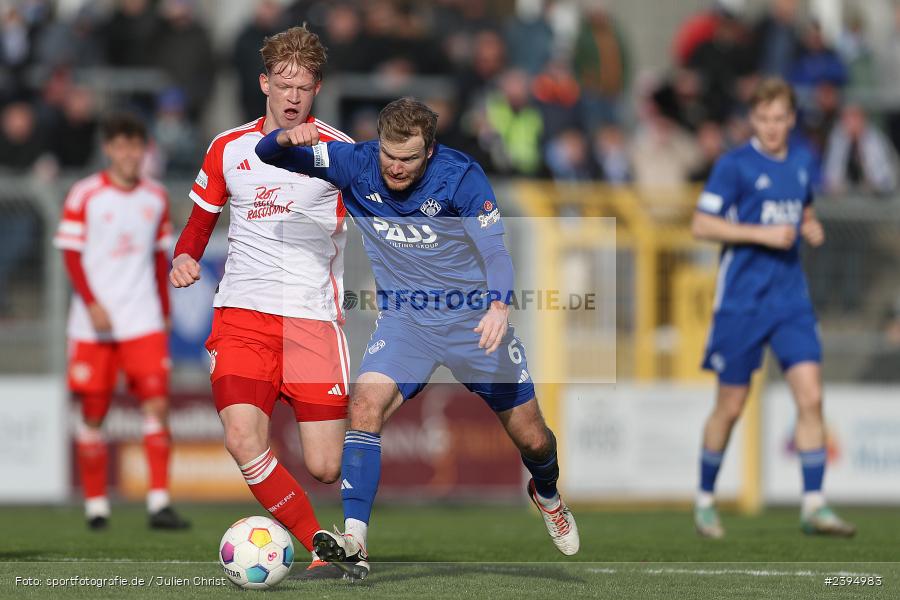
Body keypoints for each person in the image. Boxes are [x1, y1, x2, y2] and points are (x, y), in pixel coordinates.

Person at [255, 97, 580, 579]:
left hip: (474, 326)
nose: (395, 167)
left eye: (408, 159)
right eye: (389, 155)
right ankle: (355, 542)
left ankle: (547, 493)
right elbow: (268, 155)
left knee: (533, 439)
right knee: (364, 405)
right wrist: (285, 136)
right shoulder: (355, 163)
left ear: (429, 151)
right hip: (407, 322)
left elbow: (494, 249)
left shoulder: (461, 177)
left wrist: (497, 305)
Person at [169, 25, 352, 579]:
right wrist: (185, 257)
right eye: (284, 84)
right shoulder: (228, 148)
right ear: (264, 83)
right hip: (242, 317)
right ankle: (318, 544)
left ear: (317, 88)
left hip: (313, 321)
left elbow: (382, 209)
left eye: (304, 86)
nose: (293, 97)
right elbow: (199, 224)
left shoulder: (340, 153)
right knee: (241, 436)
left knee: (325, 465)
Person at [691, 78, 855, 539]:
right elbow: (701, 224)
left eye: (779, 118)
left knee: (812, 397)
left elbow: (803, 212)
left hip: (790, 300)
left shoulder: (803, 161)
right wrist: (760, 235)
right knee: (732, 404)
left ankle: (814, 504)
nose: (771, 126)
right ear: (753, 119)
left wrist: (812, 228)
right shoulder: (734, 165)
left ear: (791, 119)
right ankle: (705, 500)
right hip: (741, 302)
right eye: (763, 118)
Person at [54, 113, 189, 531]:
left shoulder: (156, 198)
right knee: (94, 412)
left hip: (142, 318)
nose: (130, 155)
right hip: (92, 324)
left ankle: (159, 503)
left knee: (157, 403)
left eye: (137, 147)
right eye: (122, 146)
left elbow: (157, 258)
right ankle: (96, 506)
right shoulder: (85, 194)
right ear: (109, 149)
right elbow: (72, 254)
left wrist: (165, 311)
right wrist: (91, 302)